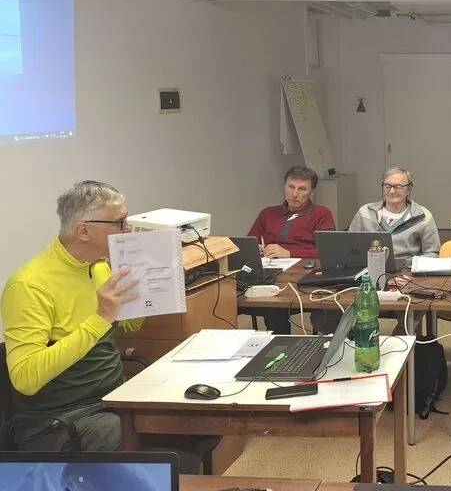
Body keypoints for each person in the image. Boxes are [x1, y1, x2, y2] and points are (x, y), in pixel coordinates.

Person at [1, 181, 207, 469]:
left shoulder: (98, 266)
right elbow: (25, 379)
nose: (128, 230)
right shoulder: (29, 286)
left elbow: (129, 327)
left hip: (112, 398)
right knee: (178, 461)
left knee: (203, 424)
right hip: (61, 420)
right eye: (119, 223)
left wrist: (150, 287)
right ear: (83, 231)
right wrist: (99, 318)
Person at [311, 167, 440, 334]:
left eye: (398, 186)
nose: (392, 191)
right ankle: (351, 340)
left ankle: (397, 344)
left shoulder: (423, 216)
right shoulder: (365, 212)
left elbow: (433, 252)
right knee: (325, 311)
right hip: (364, 276)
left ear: (409, 189)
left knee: (413, 308)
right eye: (387, 186)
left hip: (404, 278)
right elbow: (347, 246)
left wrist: (410, 271)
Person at [245, 165, 336, 334]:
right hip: (271, 272)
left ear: (312, 192)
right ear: (284, 186)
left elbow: (329, 252)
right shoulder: (267, 214)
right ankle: (279, 341)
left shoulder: (321, 214)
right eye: (291, 187)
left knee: (325, 310)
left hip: (304, 274)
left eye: (302, 189)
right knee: (270, 304)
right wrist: (256, 249)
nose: (294, 194)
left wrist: (288, 253)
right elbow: (249, 243)